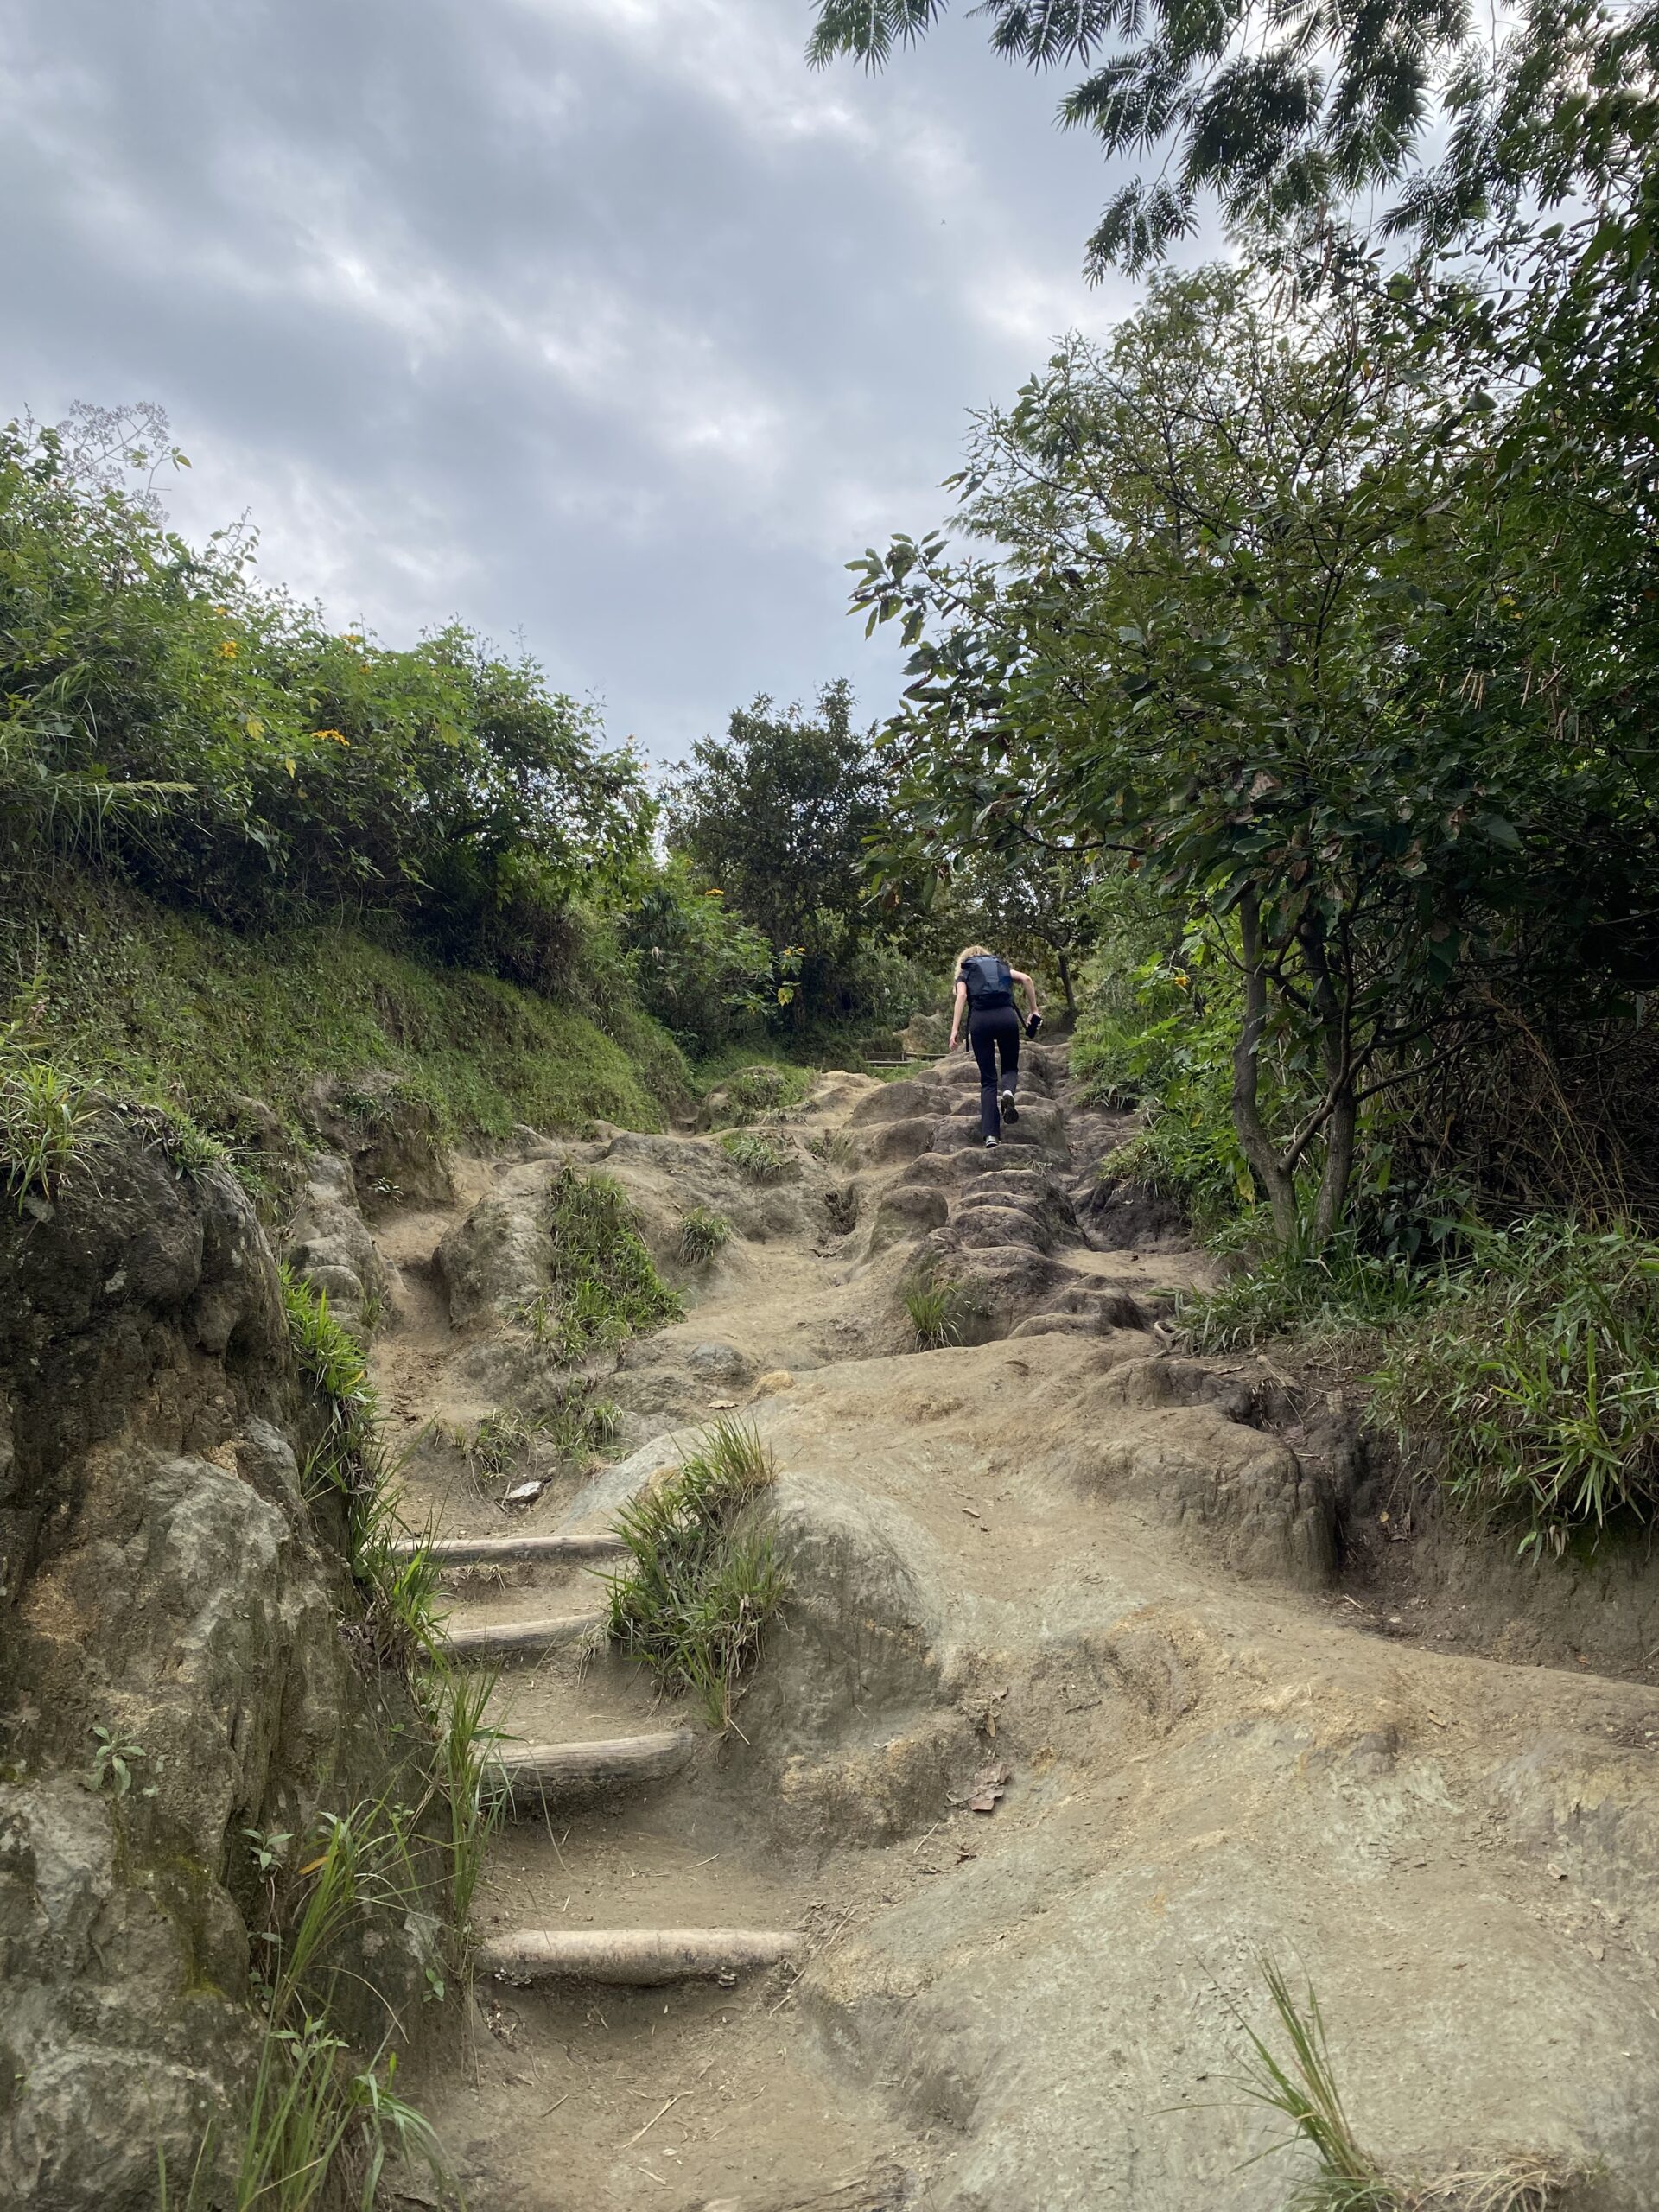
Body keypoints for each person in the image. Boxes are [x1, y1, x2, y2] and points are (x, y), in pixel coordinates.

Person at [945, 944, 1041, 1148]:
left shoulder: (965, 971)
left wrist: (955, 1029)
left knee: (988, 1080)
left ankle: (991, 1136)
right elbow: (1027, 979)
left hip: (981, 1021)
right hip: (1006, 1017)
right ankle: (1008, 1093)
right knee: (1010, 1067)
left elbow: (961, 996)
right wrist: (1034, 1010)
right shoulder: (1000, 967)